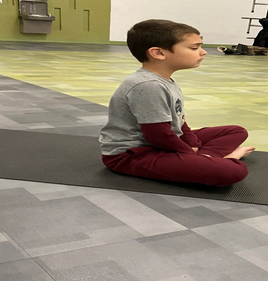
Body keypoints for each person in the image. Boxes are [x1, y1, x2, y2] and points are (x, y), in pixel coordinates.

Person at [99, 19, 255, 187]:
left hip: (162, 141)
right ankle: (228, 159)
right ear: (158, 53)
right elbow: (157, 135)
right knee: (234, 171)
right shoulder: (148, 85)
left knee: (236, 131)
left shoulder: (165, 80)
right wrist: (190, 153)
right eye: (194, 48)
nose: (203, 53)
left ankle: (205, 159)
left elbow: (180, 121)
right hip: (134, 153)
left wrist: (192, 144)